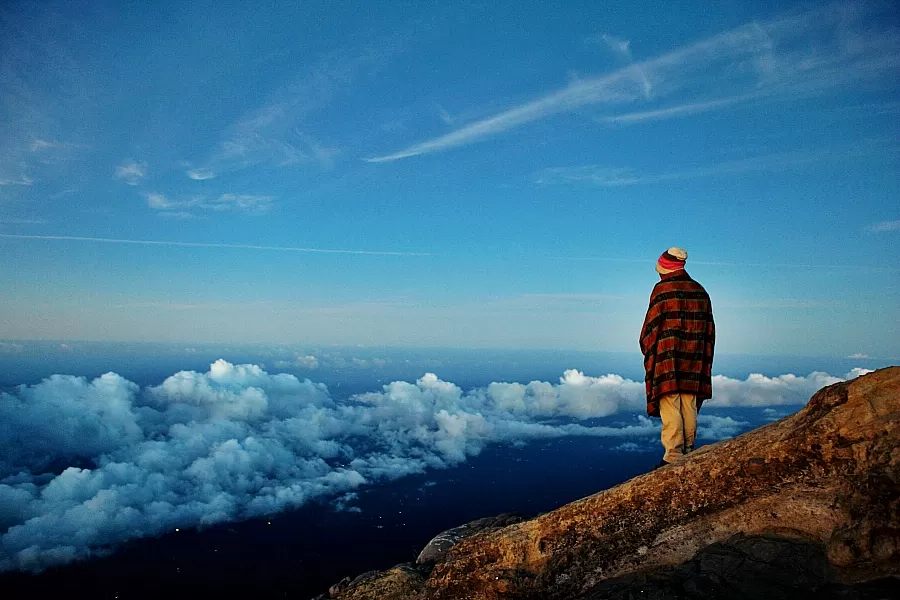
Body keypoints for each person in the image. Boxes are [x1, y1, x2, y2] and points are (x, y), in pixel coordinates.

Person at [639, 247, 715, 468]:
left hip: (668, 355)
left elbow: (651, 327)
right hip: (695, 355)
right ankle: (689, 448)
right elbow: (710, 329)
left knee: (670, 401)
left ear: (665, 266)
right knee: (689, 402)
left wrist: (648, 347)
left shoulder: (663, 289)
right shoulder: (700, 291)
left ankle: (673, 455)